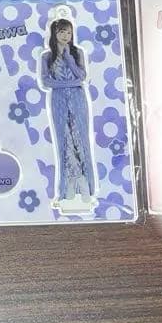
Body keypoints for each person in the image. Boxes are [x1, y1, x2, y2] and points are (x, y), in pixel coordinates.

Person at [39, 18, 94, 211]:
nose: (65, 35)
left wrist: (70, 60)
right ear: (54, 33)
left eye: (68, 32)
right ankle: (72, 181)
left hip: (78, 100)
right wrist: (70, 84)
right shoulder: (47, 57)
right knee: (65, 140)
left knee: (80, 139)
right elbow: (46, 81)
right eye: (61, 32)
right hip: (58, 101)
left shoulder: (77, 53)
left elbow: (82, 76)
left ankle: (82, 182)